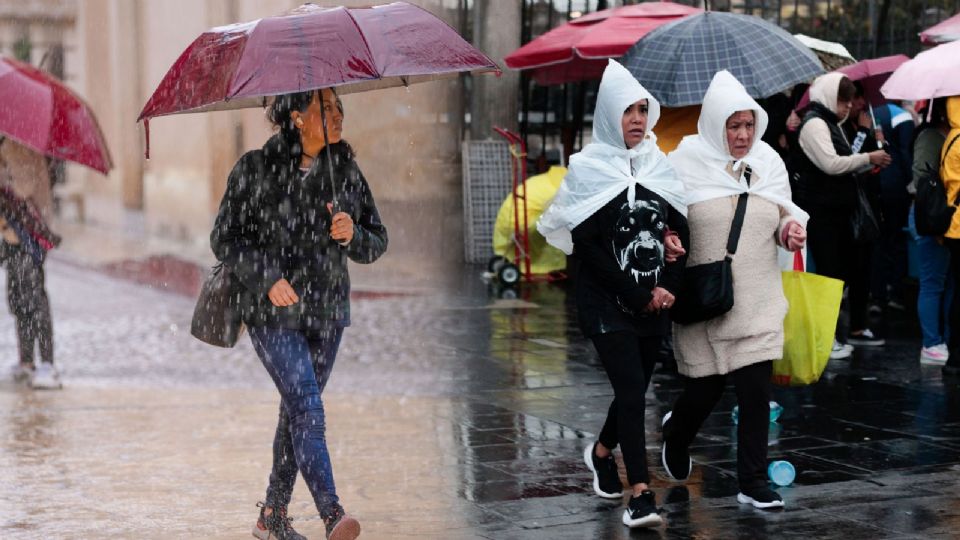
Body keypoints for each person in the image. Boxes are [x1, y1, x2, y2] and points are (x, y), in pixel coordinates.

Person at [211, 88, 386, 540]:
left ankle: (272, 517)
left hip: (328, 313)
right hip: (273, 313)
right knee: (308, 406)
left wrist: (352, 235)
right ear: (297, 118)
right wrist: (268, 277)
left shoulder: (345, 169)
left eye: (337, 104)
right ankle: (332, 514)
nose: (337, 113)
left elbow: (376, 239)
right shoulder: (254, 168)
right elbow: (225, 239)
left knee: (297, 412)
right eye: (325, 107)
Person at [538, 59, 687, 530]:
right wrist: (636, 294)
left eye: (643, 109)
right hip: (606, 303)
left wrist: (666, 283)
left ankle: (602, 451)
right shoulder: (588, 168)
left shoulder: (656, 163)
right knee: (630, 390)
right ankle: (640, 494)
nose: (638, 120)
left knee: (635, 388)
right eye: (628, 111)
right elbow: (587, 248)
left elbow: (679, 227)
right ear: (608, 115)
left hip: (651, 299)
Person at [661, 71, 808, 510]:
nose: (743, 135)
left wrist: (790, 231)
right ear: (714, 124)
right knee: (704, 392)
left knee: (755, 393)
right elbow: (663, 219)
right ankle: (677, 432)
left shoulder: (768, 162)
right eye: (733, 125)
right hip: (706, 299)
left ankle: (752, 481)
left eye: (749, 124)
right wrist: (668, 237)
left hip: (758, 299)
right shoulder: (684, 162)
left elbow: (784, 214)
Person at [791, 74, 891, 354]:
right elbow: (831, 164)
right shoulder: (816, 124)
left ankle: (831, 337)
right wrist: (868, 158)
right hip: (823, 214)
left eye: (848, 100)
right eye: (842, 100)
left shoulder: (831, 123)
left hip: (836, 213)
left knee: (836, 276)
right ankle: (826, 339)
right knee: (828, 276)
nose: (848, 106)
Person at [0, 136, 60, 389]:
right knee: (18, 299)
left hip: (29, 235)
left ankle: (47, 364)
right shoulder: (8, 144)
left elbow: (22, 189)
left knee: (34, 301)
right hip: (13, 236)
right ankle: (26, 362)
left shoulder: (19, 145)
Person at [908, 98, 952, 365]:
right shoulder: (929, 136)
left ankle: (943, 339)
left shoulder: (949, 135)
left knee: (947, 284)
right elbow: (922, 178)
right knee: (933, 282)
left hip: (947, 218)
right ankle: (931, 343)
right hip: (931, 217)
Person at [939, 96, 960, 377]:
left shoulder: (952, 138)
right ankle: (956, 354)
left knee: (956, 290)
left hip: (954, 225)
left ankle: (954, 353)